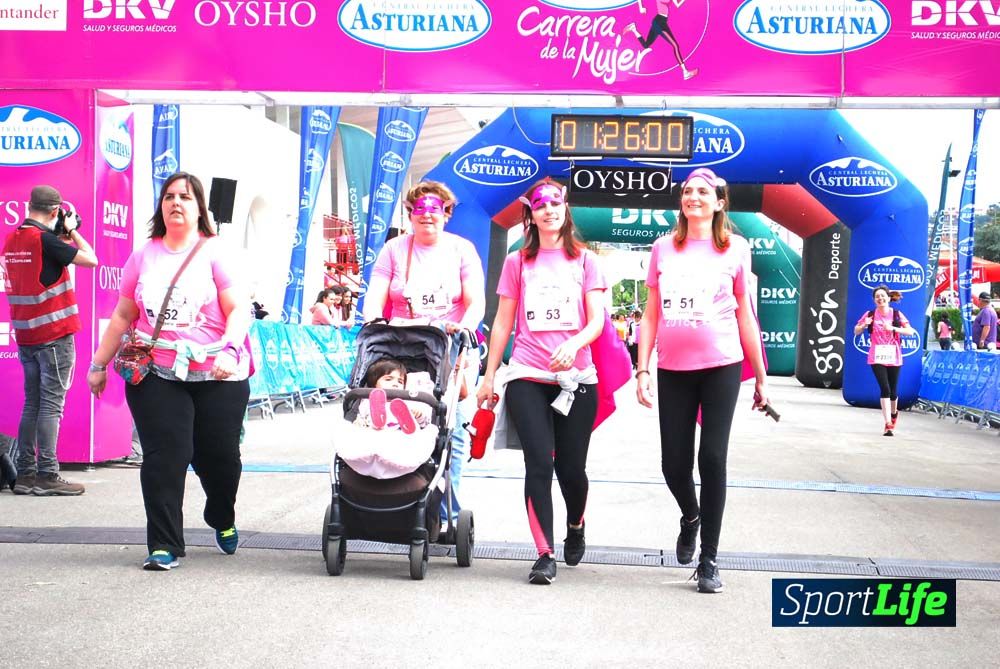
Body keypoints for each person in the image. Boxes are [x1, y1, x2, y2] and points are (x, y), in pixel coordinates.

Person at [86, 172, 252, 572]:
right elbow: (124, 314)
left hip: (218, 372)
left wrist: (230, 350)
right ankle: (164, 544)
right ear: (161, 206)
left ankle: (221, 515)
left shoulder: (216, 252)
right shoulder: (144, 255)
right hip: (157, 370)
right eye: (170, 197)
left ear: (200, 209)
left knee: (220, 458)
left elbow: (238, 310)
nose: (177, 202)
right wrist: (98, 364)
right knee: (165, 456)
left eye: (186, 197)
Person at [635, 168, 769, 594]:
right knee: (674, 465)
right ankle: (690, 516)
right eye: (688, 191)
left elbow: (745, 313)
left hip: (721, 366)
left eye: (703, 192)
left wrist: (761, 374)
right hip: (673, 368)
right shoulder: (662, 248)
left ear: (719, 202)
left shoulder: (736, 249)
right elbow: (651, 313)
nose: (693, 197)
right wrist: (642, 368)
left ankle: (709, 560)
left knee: (712, 459)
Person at [478, 178, 606, 585]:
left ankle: (576, 524)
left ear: (566, 208)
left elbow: (598, 320)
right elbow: (502, 323)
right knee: (538, 461)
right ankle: (544, 554)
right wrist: (489, 376)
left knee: (571, 467)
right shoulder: (518, 262)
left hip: (576, 376)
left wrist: (574, 343)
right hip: (528, 373)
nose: (549, 209)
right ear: (530, 214)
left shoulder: (586, 261)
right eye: (540, 204)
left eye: (556, 203)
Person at [363, 180, 485, 527]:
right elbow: (377, 293)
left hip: (450, 346)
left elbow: (476, 300)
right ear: (410, 215)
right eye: (420, 211)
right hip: (403, 344)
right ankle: (388, 494)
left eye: (435, 210)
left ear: (447, 214)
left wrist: (464, 325)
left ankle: (447, 510)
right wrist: (373, 319)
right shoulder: (394, 250)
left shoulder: (462, 250)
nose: (427, 217)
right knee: (394, 412)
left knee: (452, 425)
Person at [3, 185, 98, 496]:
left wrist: (60, 237)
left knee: (32, 403)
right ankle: (48, 473)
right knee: (51, 406)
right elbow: (91, 259)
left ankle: (26, 474)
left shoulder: (12, 240)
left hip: (26, 335)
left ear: (30, 205)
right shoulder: (45, 240)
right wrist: (72, 231)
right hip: (54, 336)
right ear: (56, 212)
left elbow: (41, 269)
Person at [852, 285, 916, 437]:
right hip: (877, 355)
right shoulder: (870, 314)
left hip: (893, 355)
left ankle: (894, 413)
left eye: (882, 296)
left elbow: (910, 331)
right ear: (874, 300)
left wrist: (893, 328)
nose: (880, 299)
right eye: (877, 297)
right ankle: (888, 424)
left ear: (888, 298)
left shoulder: (897, 314)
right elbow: (856, 331)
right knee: (885, 388)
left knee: (893, 391)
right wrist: (863, 325)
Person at [623, 0, 699, 80]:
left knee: (646, 45)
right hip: (659, 23)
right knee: (675, 46)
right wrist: (641, 7)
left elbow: (677, 4)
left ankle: (634, 29)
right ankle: (685, 72)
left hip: (660, 22)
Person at [354, 357, 429, 434]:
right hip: (377, 434)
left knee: (415, 424)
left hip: (402, 434)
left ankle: (406, 423)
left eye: (400, 382)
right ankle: (378, 421)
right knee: (368, 420)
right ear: (374, 384)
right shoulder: (368, 401)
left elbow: (423, 423)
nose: (395, 384)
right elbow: (361, 416)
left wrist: (419, 415)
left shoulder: (407, 401)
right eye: (388, 379)